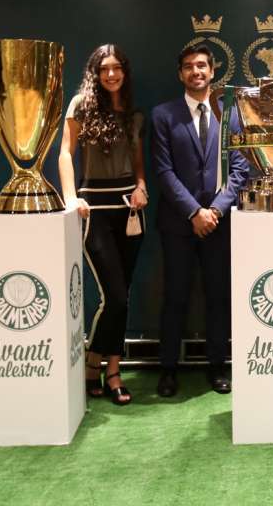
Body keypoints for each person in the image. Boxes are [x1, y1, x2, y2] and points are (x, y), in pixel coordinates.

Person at [150, 45, 248, 397]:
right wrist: (194, 212)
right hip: (179, 223)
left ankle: (217, 367)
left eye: (202, 65)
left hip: (220, 224)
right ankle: (168, 369)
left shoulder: (231, 115)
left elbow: (240, 169)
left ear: (212, 70)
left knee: (218, 297)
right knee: (175, 296)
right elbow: (162, 170)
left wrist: (216, 211)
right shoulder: (163, 114)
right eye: (189, 66)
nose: (196, 71)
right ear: (180, 74)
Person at [57, 44, 146, 405]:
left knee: (122, 299)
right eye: (104, 69)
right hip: (94, 209)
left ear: (124, 72)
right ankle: (96, 365)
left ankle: (109, 369)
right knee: (115, 296)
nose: (111, 74)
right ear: (95, 72)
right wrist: (70, 197)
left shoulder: (133, 113)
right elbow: (65, 152)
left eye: (117, 68)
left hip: (130, 211)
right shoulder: (81, 104)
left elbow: (139, 162)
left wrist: (142, 186)